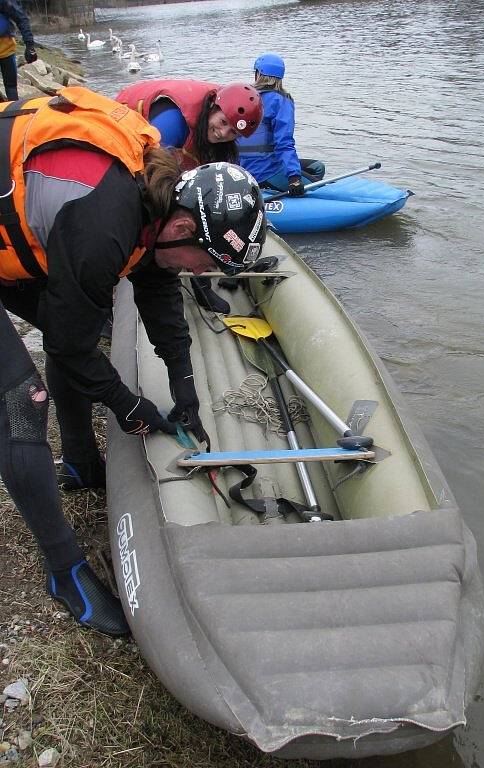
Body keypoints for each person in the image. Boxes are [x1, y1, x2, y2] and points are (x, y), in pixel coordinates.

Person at [0, 86, 266, 636]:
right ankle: (65, 571)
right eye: (203, 262)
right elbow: (74, 349)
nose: (198, 273)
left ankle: (78, 463)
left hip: (19, 227)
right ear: (182, 229)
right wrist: (129, 406)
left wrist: (183, 386)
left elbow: (159, 290)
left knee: (68, 325)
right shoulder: (105, 227)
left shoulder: (155, 201)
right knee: (20, 400)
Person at [117, 79, 264, 313]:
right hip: (132, 151)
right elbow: (148, 170)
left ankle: (201, 283)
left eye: (233, 132)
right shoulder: (174, 122)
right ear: (214, 108)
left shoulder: (218, 142)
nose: (223, 132)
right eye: (223, 122)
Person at [237, 53, 325, 196]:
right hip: (265, 172)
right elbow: (284, 142)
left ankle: (281, 195)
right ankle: (296, 201)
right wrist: (294, 178)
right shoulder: (281, 101)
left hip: (243, 168)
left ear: (258, 74)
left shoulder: (244, 97)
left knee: (317, 167)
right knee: (322, 190)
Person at [0, 0, 37, 101]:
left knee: (11, 87)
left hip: (6, 50)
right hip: (6, 49)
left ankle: (14, 111)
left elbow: (21, 19)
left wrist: (29, 45)